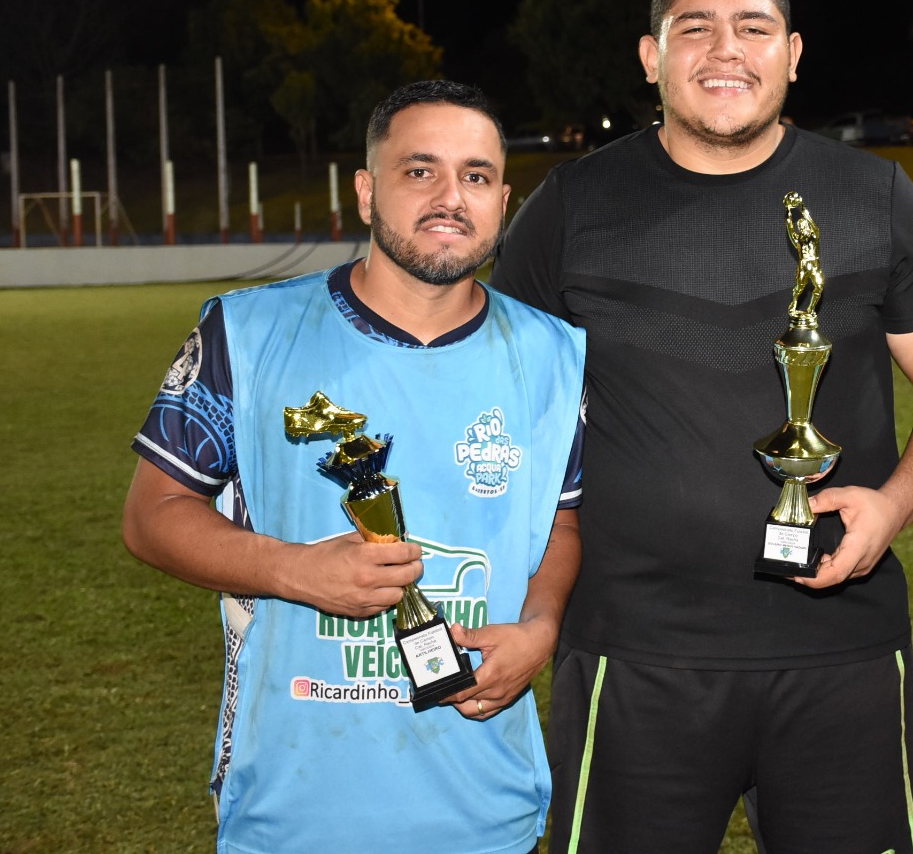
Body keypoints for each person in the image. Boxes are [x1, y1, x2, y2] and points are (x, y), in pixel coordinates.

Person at [490, 0, 913, 854]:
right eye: (697, 28)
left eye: (754, 27)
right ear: (652, 57)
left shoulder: (872, 196)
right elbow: (484, 392)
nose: (726, 49)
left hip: (840, 649)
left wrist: (894, 502)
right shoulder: (570, 206)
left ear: (793, 56)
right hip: (630, 654)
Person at [121, 80, 588, 853]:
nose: (450, 197)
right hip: (295, 808)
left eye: (475, 176)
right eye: (420, 170)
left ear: (504, 198)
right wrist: (291, 569)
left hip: (486, 807)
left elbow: (561, 521)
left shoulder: (553, 354)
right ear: (367, 189)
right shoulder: (248, 330)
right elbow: (151, 514)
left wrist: (541, 626)